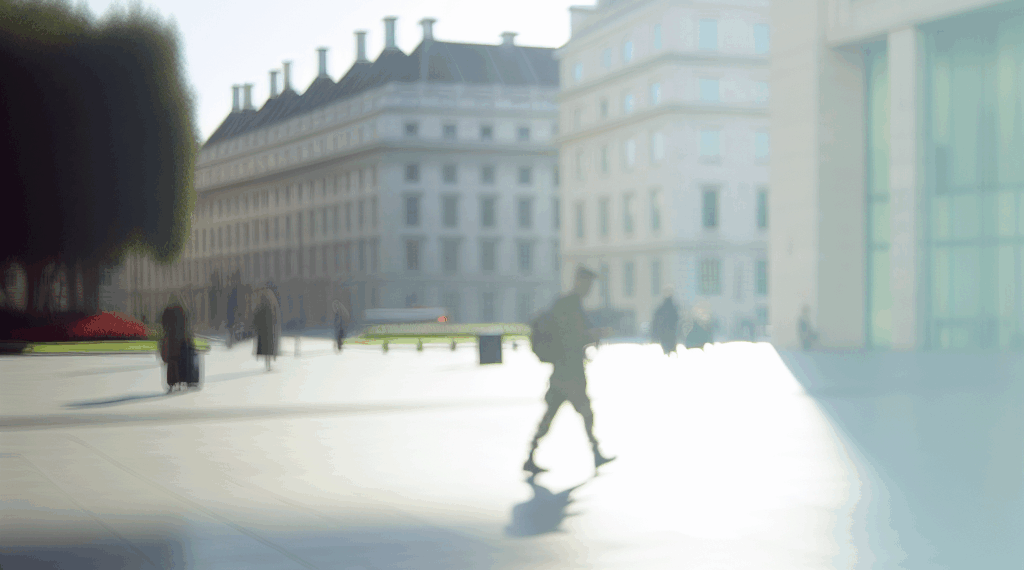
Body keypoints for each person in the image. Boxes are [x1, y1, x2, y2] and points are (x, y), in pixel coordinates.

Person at [524, 265, 616, 475]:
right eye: (587, 284)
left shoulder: (569, 303)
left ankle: (531, 455)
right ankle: (596, 452)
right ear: (579, 282)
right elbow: (571, 337)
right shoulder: (569, 305)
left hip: (565, 370)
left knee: (563, 414)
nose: (589, 288)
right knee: (582, 412)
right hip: (568, 371)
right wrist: (593, 335)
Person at [159, 304, 198, 391]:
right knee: (180, 363)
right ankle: (181, 381)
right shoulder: (181, 317)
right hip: (179, 344)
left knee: (172, 363)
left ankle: (173, 383)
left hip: (172, 344)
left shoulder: (169, 320)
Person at [253, 288, 280, 371]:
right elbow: (276, 319)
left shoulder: (261, 305)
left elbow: (256, 318)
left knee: (265, 349)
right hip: (270, 332)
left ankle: (267, 364)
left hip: (263, 332)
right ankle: (268, 364)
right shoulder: (273, 306)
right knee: (268, 349)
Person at [651, 290, 679, 356]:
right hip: (671, 332)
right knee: (671, 346)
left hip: (664, 332)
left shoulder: (662, 308)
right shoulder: (673, 308)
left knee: (667, 347)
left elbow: (656, 321)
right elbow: (677, 319)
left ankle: (668, 353)